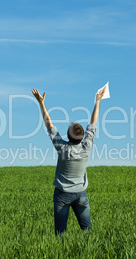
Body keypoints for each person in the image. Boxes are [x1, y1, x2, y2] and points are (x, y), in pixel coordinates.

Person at [31, 87, 106, 235]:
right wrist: (98, 101)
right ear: (83, 136)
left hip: (62, 194)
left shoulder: (62, 148)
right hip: (80, 194)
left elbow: (49, 124)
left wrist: (41, 103)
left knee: (60, 234)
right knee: (88, 232)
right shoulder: (87, 147)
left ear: (67, 135)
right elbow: (93, 122)